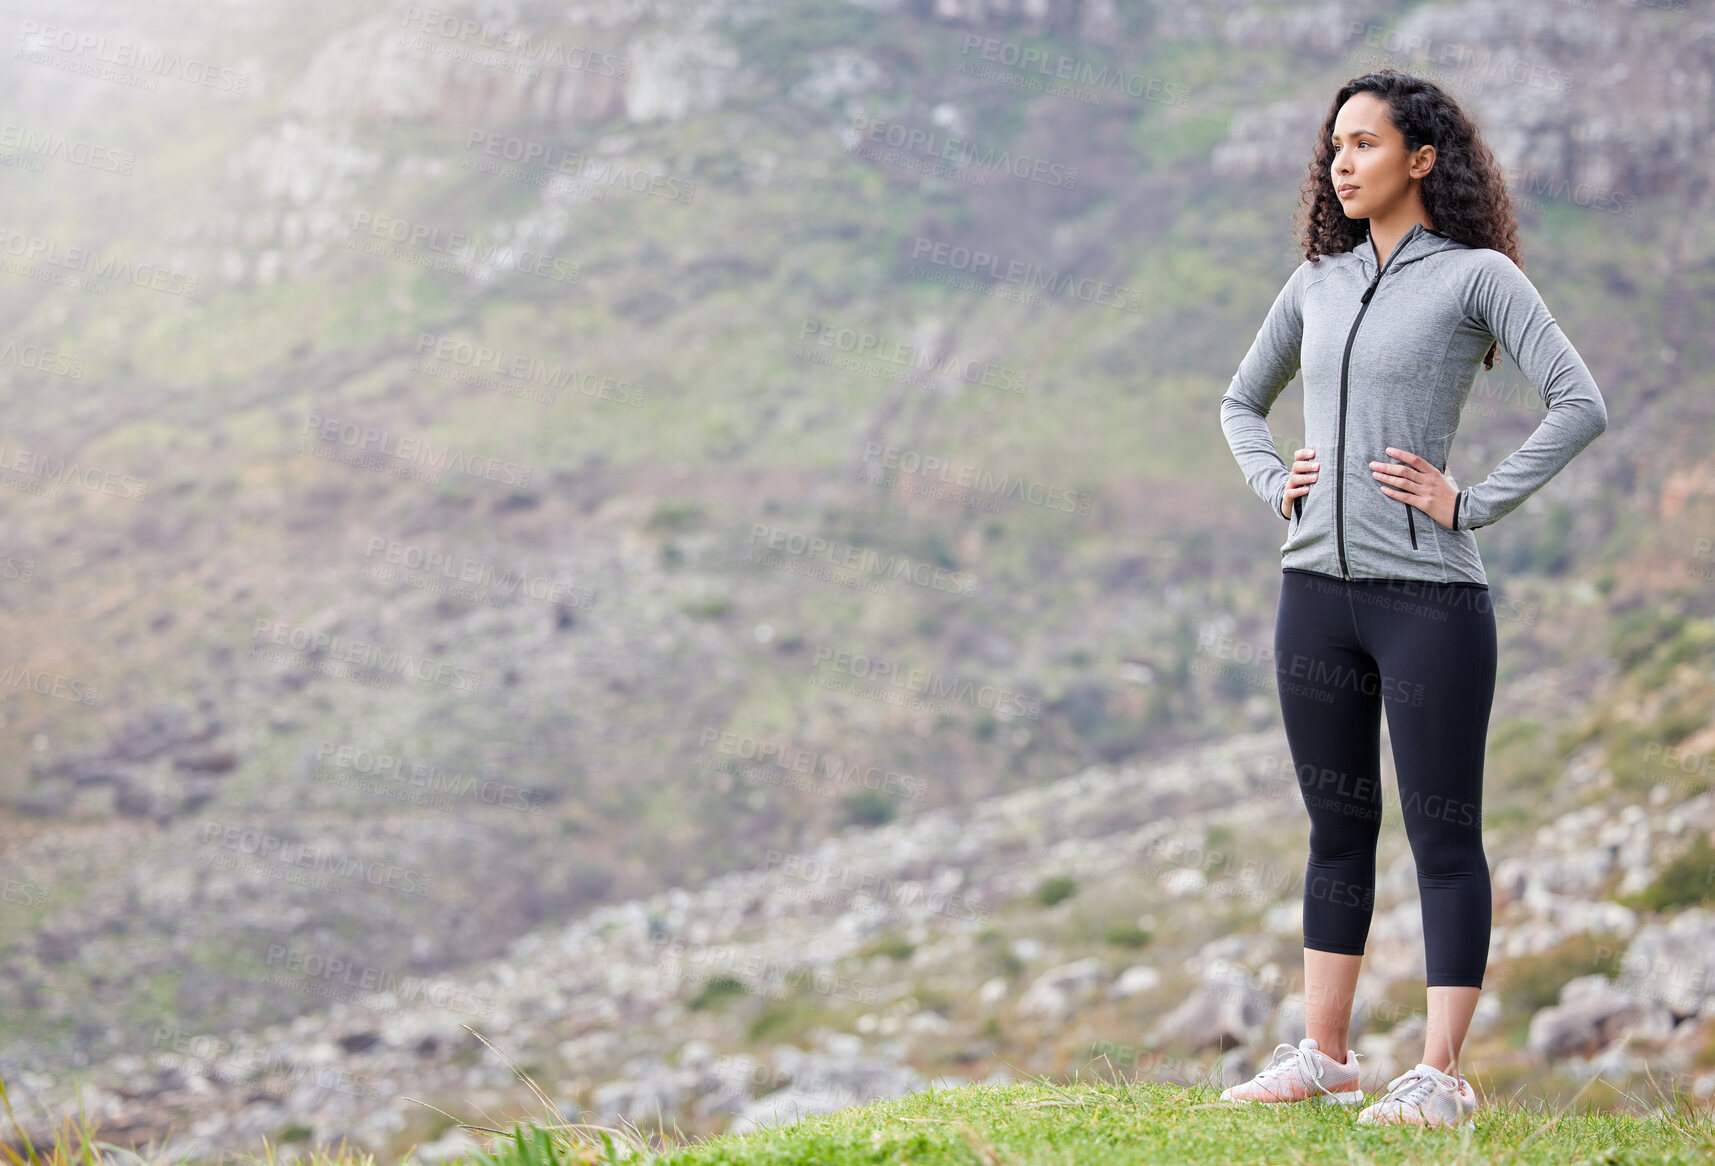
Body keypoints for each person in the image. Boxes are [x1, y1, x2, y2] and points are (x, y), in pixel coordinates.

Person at [1213, 69, 1609, 1130]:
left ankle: (1438, 1071)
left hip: (1427, 597)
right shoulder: (1315, 282)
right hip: (1313, 594)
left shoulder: (1477, 279)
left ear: (1420, 156)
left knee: (1443, 832)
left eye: (1363, 143)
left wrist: (1469, 501)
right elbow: (1239, 401)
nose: (1340, 162)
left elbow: (1579, 403)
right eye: (1332, 145)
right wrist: (1273, 483)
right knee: (1334, 828)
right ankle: (1327, 1053)